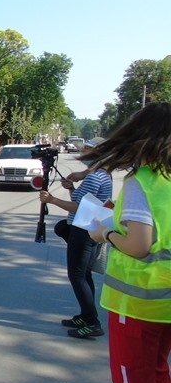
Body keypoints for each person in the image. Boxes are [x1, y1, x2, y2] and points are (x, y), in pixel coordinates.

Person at [77, 101, 171, 383]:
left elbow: (138, 244)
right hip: (165, 302)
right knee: (160, 377)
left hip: (138, 302)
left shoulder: (141, 181)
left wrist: (105, 233)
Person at [39, 138, 112, 339]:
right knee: (84, 274)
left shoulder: (94, 177)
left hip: (83, 229)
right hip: (89, 227)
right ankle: (86, 314)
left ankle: (92, 322)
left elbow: (79, 207)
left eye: (88, 150)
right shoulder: (102, 174)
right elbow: (81, 201)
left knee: (77, 276)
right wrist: (71, 187)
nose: (84, 154)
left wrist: (52, 200)